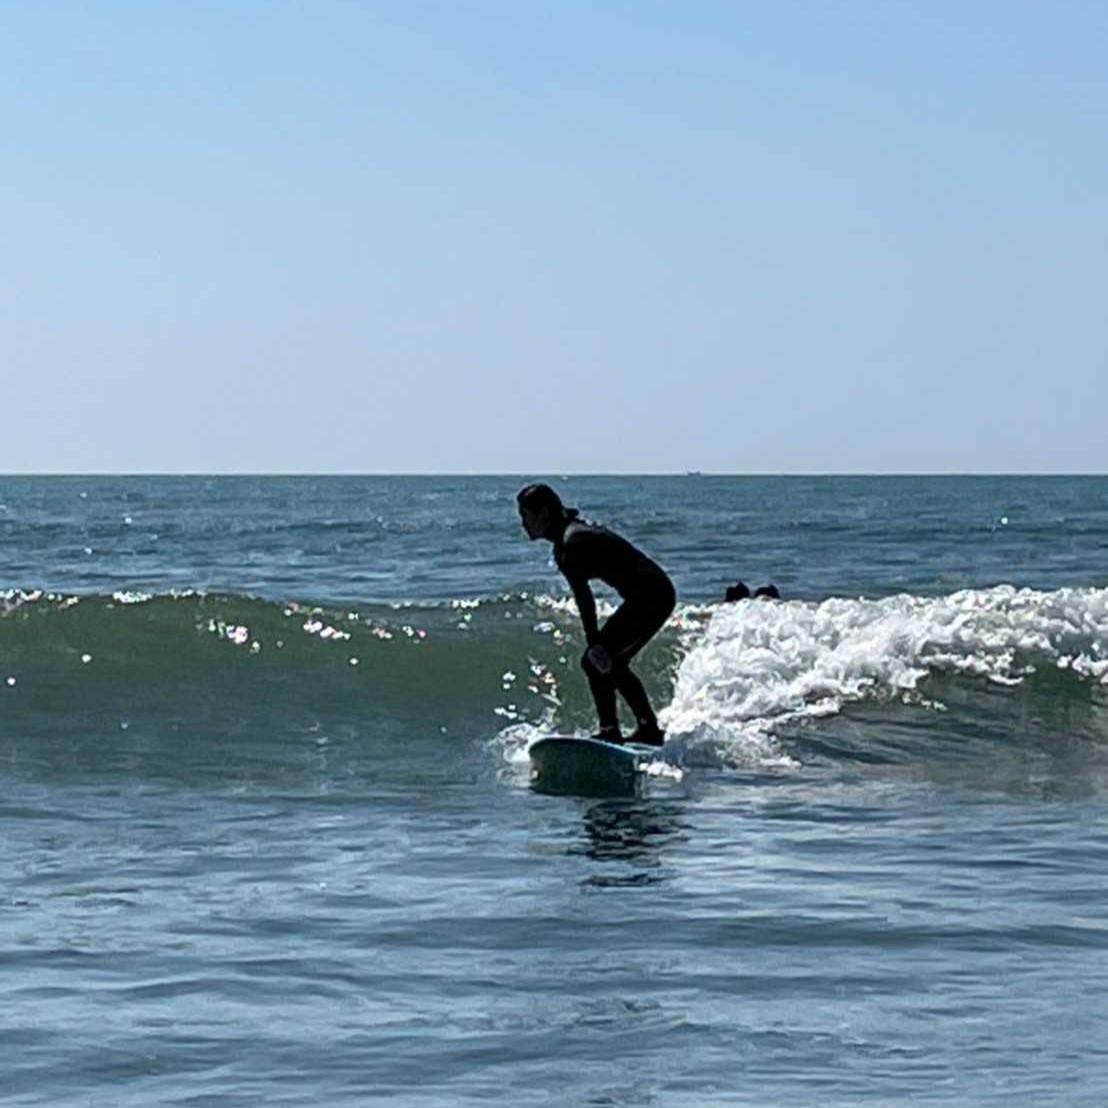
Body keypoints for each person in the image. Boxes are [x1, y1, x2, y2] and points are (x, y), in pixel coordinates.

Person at [517, 483, 676, 746]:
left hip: (653, 595)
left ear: (543, 514)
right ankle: (622, 729)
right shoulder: (567, 537)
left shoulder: (570, 543)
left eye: (526, 516)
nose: (523, 524)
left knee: (600, 661)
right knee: (602, 662)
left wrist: (595, 644)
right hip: (647, 594)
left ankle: (637, 729)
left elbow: (584, 599)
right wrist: (596, 646)